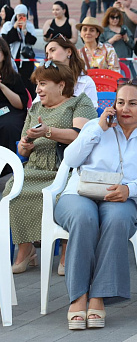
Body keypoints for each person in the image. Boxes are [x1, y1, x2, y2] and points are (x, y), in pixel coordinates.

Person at [54, 78, 137, 330]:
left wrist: (130, 189)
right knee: (84, 218)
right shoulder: (96, 127)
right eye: (121, 102)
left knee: (117, 219)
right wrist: (97, 129)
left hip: (121, 197)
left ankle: (98, 296)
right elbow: (70, 158)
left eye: (133, 103)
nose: (125, 108)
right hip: (79, 194)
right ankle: (78, 296)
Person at [4, 62, 96, 275]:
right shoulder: (36, 108)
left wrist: (48, 132)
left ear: (61, 85)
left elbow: (80, 136)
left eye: (43, 84)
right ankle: (26, 250)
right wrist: (24, 146)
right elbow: (23, 149)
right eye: (37, 84)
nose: (37, 90)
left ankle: (66, 250)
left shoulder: (80, 103)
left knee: (62, 196)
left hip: (66, 168)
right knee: (13, 189)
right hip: (36, 167)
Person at [44, 35, 98, 108]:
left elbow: (91, 111)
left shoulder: (86, 82)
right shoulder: (46, 81)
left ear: (69, 52)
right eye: (47, 54)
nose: (49, 57)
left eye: (53, 50)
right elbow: (35, 108)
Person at [0, 38, 28, 161]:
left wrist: (1, 86)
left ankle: (9, 165)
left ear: (4, 54)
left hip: (10, 110)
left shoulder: (12, 76)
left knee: (9, 125)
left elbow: (21, 104)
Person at [1, 4, 37, 97]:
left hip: (26, 59)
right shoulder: (8, 25)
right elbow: (6, 40)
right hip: (13, 57)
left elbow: (32, 41)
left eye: (23, 16)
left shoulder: (29, 26)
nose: (21, 18)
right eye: (19, 16)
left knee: (27, 81)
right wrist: (14, 28)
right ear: (15, 15)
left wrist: (25, 31)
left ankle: (29, 100)